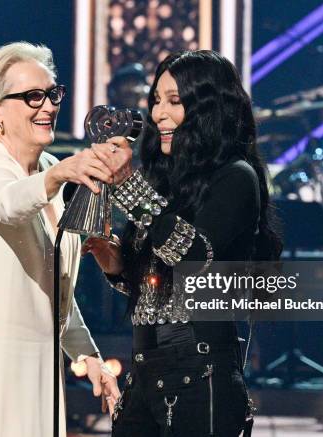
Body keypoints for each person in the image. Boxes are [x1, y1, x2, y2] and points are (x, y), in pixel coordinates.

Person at [83, 50, 282, 437]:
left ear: (208, 107)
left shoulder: (235, 177)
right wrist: (117, 264)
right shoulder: (163, 179)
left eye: (174, 101)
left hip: (200, 373)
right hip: (145, 370)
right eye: (156, 100)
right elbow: (155, 282)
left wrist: (128, 184)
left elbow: (195, 259)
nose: (158, 114)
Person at [0, 42, 124, 437]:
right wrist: (59, 176)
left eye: (52, 94)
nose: (48, 106)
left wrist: (88, 355)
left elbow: (53, 287)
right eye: (32, 97)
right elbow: (6, 203)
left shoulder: (49, 169)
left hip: (40, 360)